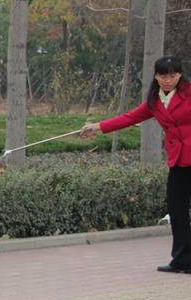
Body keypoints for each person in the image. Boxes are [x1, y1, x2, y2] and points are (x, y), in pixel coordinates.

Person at [81, 55, 191, 274]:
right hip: (179, 160)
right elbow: (129, 118)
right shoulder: (154, 101)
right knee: (177, 211)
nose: (168, 80)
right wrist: (98, 127)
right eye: (163, 76)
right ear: (156, 76)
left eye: (172, 75)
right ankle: (183, 260)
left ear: (180, 75)